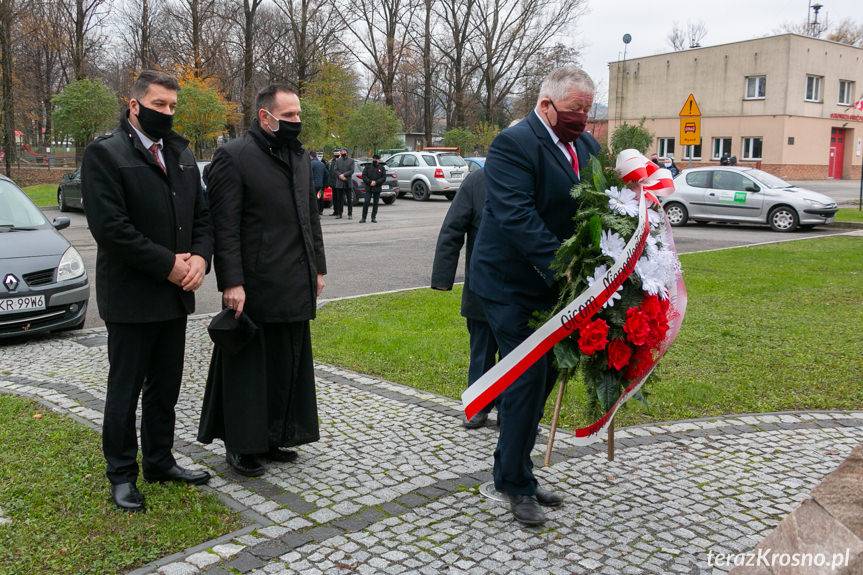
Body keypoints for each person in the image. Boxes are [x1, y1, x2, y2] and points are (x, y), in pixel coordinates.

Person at [470, 65, 601, 526]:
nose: (582, 118)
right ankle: (514, 483)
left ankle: (516, 467)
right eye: (573, 110)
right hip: (509, 283)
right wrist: (567, 267)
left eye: (587, 109)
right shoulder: (513, 144)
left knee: (541, 380)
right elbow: (516, 215)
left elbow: (592, 206)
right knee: (525, 379)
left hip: (554, 286)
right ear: (546, 105)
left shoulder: (585, 146)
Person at [81, 70, 213, 512]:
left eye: (173, 107)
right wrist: (169, 266)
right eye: (159, 106)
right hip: (132, 298)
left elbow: (202, 217)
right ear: (134, 104)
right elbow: (111, 229)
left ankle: (159, 460)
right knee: (126, 389)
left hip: (174, 298)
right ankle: (121, 472)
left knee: (166, 388)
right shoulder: (105, 153)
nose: (168, 114)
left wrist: (199, 257)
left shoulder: (180, 153)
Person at [198, 83, 327, 477]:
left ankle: (275, 435)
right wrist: (231, 282)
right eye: (289, 116)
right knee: (248, 370)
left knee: (286, 365)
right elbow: (226, 225)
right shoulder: (234, 156)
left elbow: (310, 217)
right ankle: (241, 445)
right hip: (252, 284)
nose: (296, 122)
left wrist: (317, 268)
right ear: (265, 117)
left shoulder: (299, 157)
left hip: (294, 279)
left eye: (299, 115)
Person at [431, 168, 499, 429]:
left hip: (521, 290)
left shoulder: (533, 176)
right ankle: (479, 405)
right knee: (482, 351)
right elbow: (453, 229)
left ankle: (513, 410)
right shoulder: (477, 181)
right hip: (482, 286)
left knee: (518, 355)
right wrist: (442, 278)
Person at [360, 154, 386, 223]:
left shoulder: (382, 168)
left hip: (377, 188)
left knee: (375, 203)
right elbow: (364, 176)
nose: (375, 160)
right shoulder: (368, 167)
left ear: (379, 160)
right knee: (366, 202)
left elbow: (383, 178)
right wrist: (370, 182)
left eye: (376, 159)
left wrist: (376, 182)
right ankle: (363, 218)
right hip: (369, 188)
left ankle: (373, 217)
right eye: (374, 159)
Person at [332, 147, 355, 219]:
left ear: (347, 152)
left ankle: (350, 214)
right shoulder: (338, 160)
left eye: (344, 151)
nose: (342, 152)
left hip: (347, 182)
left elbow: (352, 170)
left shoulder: (351, 160)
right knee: (339, 199)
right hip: (339, 182)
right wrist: (340, 175)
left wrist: (344, 175)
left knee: (349, 199)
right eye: (341, 151)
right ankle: (339, 214)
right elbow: (335, 170)